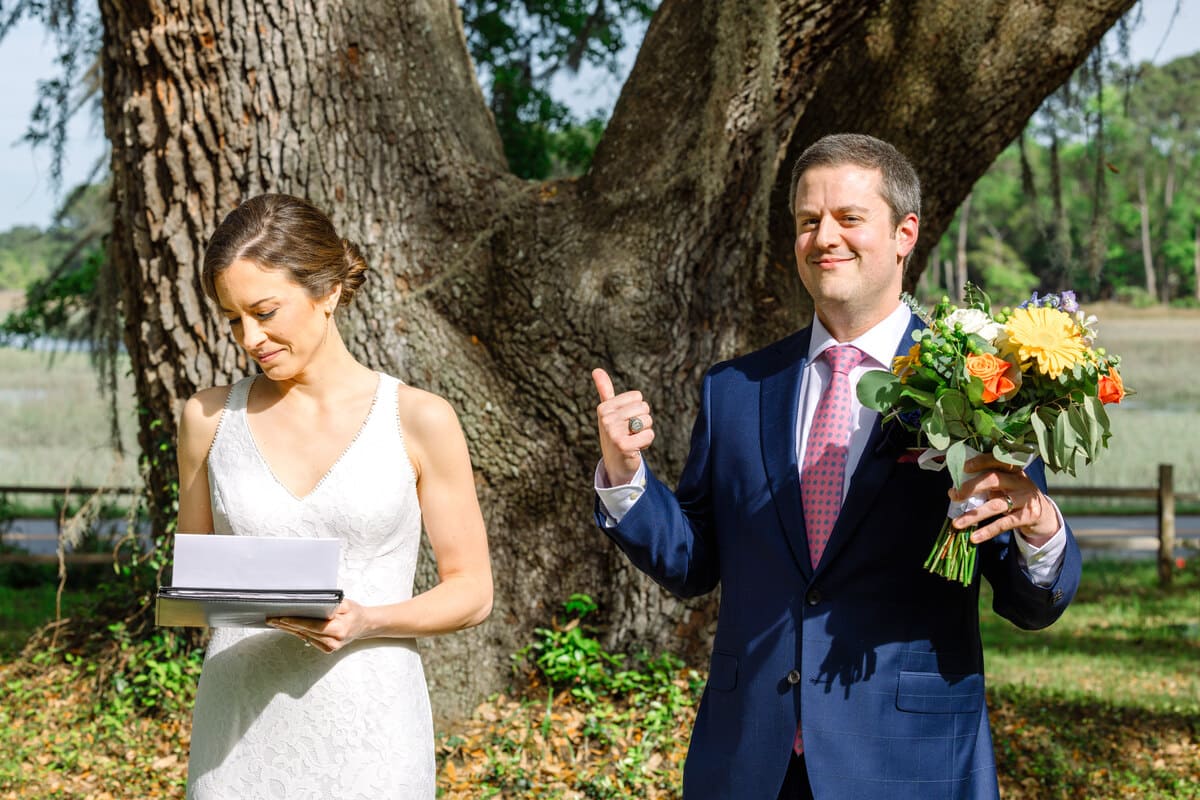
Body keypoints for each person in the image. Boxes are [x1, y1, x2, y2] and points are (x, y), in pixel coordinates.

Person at [590, 133, 1081, 800]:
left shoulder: (983, 379)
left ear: (905, 233)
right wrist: (627, 478)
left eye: (849, 218)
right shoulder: (735, 389)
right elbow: (694, 560)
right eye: (807, 221)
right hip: (749, 764)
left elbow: (1029, 601)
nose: (825, 237)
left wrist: (1038, 524)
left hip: (909, 764)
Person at [176, 193, 493, 799]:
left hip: (371, 726)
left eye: (265, 311)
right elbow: (195, 580)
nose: (249, 337)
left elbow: (473, 592)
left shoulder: (420, 418)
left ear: (326, 292)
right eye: (233, 319)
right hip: (239, 727)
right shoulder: (208, 418)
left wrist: (369, 619)